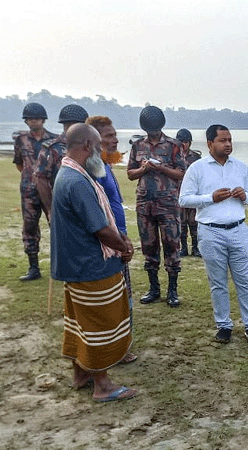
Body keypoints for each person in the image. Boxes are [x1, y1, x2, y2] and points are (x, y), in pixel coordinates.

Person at [50, 123, 137, 402]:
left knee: (81, 323)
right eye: (98, 145)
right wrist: (123, 246)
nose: (102, 151)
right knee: (102, 324)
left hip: (77, 265)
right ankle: (103, 385)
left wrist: (120, 237)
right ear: (87, 146)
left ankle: (81, 373)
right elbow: (99, 228)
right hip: (91, 265)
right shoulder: (76, 181)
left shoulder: (70, 174)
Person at [179, 125, 248, 345]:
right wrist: (210, 198)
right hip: (210, 232)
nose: (227, 144)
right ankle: (224, 325)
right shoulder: (197, 168)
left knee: (245, 281)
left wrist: (245, 196)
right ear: (209, 144)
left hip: (238, 230)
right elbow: (184, 199)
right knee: (218, 282)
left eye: (230, 140)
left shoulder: (241, 167)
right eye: (222, 140)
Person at [86, 115, 138, 365]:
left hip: (117, 239)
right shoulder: (92, 169)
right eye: (108, 136)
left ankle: (121, 345)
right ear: (93, 140)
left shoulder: (104, 165)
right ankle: (114, 350)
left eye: (115, 134)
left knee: (121, 295)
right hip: (106, 243)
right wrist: (118, 240)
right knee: (112, 299)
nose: (115, 139)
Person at [127, 106, 186, 308]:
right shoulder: (137, 146)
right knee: (148, 247)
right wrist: (143, 168)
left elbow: (181, 174)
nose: (152, 131)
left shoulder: (173, 145)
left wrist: (160, 167)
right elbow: (130, 174)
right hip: (145, 204)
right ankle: (154, 288)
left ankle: (172, 290)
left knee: (172, 246)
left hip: (168, 204)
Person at [13, 102, 57, 281]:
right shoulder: (20, 139)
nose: (33, 121)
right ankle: (34, 267)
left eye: (37, 118)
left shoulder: (54, 140)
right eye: (30, 118)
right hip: (28, 191)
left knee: (55, 225)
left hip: (49, 190)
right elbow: (19, 163)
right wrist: (31, 178)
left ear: (43, 119)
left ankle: (59, 265)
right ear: (26, 121)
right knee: (30, 227)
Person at [34, 104, 88, 217]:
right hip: (62, 206)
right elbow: (41, 180)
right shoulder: (53, 148)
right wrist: (50, 209)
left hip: (86, 204)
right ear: (66, 125)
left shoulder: (89, 146)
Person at [176, 128, 202, 258]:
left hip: (192, 194)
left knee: (194, 222)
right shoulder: (173, 157)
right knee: (181, 223)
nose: (184, 145)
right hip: (179, 194)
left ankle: (196, 248)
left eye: (186, 142)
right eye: (181, 142)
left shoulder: (195, 157)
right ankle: (183, 248)